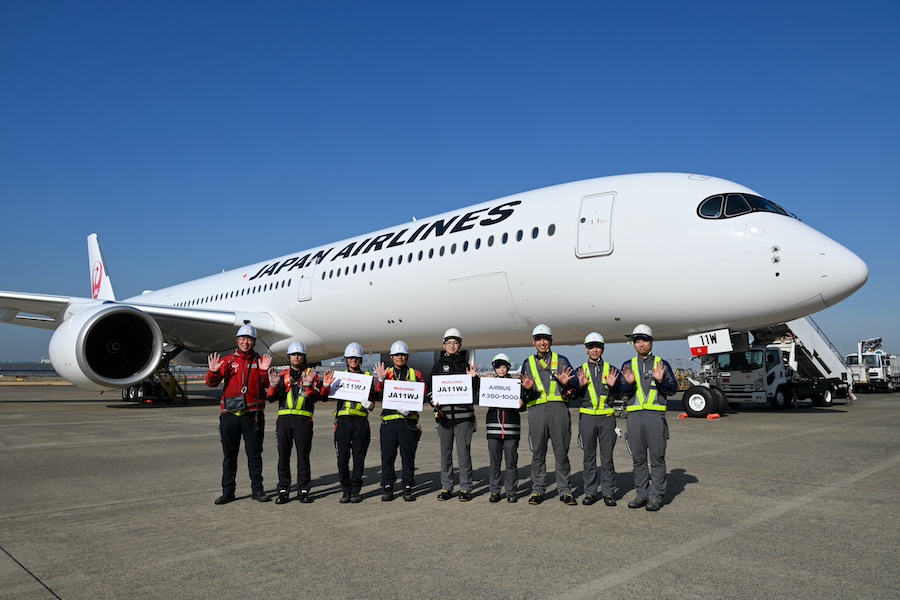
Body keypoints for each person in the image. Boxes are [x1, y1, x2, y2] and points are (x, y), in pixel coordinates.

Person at [206, 324, 273, 505]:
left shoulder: (260, 362)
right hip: (229, 415)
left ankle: (257, 491)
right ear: (237, 340)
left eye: (249, 339)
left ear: (254, 342)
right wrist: (212, 371)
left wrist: (264, 371)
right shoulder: (227, 361)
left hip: (253, 416)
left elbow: (267, 385)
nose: (246, 342)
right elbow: (211, 383)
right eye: (243, 338)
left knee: (254, 454)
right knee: (230, 456)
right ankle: (228, 492)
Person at [618, 324, 678, 512]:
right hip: (634, 417)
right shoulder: (628, 365)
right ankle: (641, 495)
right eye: (637, 341)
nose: (641, 344)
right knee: (638, 459)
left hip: (655, 417)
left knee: (657, 458)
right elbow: (622, 391)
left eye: (644, 340)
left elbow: (673, 389)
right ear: (633, 344)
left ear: (651, 342)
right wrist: (628, 384)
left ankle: (656, 496)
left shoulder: (662, 364)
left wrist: (661, 381)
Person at [266, 341, 331, 505]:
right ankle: (283, 490)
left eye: (299, 355)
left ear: (304, 357)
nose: (296, 357)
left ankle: (303, 490)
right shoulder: (281, 375)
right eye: (294, 355)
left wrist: (309, 387)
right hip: (284, 421)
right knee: (283, 457)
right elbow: (271, 399)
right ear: (289, 357)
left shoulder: (312, 374)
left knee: (303, 456)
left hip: (303, 420)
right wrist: (273, 386)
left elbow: (320, 397)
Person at [520, 324, 579, 506]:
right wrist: (528, 390)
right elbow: (523, 394)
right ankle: (538, 490)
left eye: (545, 339)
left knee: (561, 452)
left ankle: (565, 490)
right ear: (534, 342)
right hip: (537, 411)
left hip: (558, 410)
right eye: (538, 339)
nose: (542, 342)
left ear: (551, 341)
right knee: (538, 452)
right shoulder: (527, 363)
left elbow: (575, 389)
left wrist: (567, 385)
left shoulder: (562, 360)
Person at [430, 328, 478, 502]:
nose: (452, 345)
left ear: (460, 346)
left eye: (455, 343)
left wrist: (474, 378)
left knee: (464, 453)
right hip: (444, 418)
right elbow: (431, 391)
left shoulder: (466, 366)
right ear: (444, 345)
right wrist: (433, 401)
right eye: (449, 343)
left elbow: (476, 391)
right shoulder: (437, 367)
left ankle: (466, 488)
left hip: (463, 417)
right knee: (445, 454)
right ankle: (447, 487)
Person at [574, 332, 620, 506]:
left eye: (598, 347)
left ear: (603, 349)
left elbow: (619, 393)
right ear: (586, 350)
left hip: (606, 418)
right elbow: (573, 396)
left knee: (607, 457)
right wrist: (580, 386)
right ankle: (590, 492)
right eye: (591, 347)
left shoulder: (611, 370)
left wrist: (614, 387)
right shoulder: (580, 371)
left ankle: (608, 492)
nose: (594, 350)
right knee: (589, 456)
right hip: (587, 418)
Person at [374, 341, 423, 502]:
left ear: (407, 356)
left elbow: (422, 394)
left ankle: (407, 487)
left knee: (408, 457)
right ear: (391, 357)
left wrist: (412, 406)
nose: (399, 357)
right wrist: (380, 381)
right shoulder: (386, 373)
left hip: (408, 422)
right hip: (389, 422)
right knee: (387, 456)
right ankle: (388, 487)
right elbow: (378, 396)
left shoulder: (416, 374)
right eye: (396, 355)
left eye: (402, 355)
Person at [333, 342, 376, 503]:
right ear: (346, 359)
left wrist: (370, 405)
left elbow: (373, 403)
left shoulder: (367, 378)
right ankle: (345, 490)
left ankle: (356, 490)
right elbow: (325, 395)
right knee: (342, 458)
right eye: (351, 358)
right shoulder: (339, 378)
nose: (353, 360)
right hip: (343, 422)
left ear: (360, 360)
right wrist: (325, 385)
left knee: (359, 458)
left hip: (361, 422)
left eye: (356, 358)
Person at [484, 353, 524, 503]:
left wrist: (522, 403)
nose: (501, 369)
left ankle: (511, 491)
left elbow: (523, 402)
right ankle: (494, 491)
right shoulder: (488, 384)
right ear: (494, 368)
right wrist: (477, 379)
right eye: (498, 367)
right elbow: (476, 392)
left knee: (511, 462)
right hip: (493, 429)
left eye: (504, 366)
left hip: (511, 429)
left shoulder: (516, 384)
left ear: (508, 368)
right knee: (494, 462)